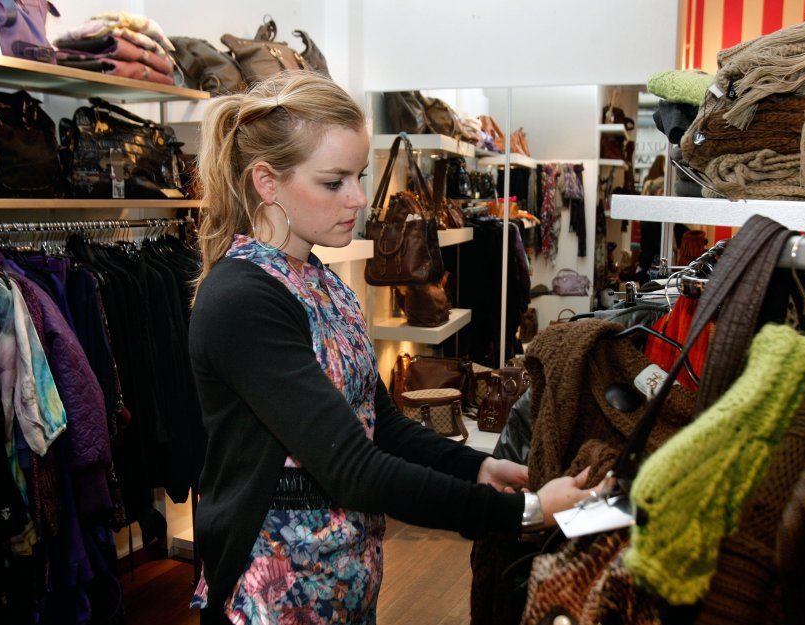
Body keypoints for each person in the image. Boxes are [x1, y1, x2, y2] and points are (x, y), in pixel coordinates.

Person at [188, 71, 592, 624]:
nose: (358, 198)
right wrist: (522, 511)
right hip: (274, 593)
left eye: (359, 176)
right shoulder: (241, 300)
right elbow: (352, 467)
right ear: (267, 182)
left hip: (344, 572)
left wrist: (474, 468)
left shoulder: (323, 282)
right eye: (334, 182)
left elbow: (380, 421)